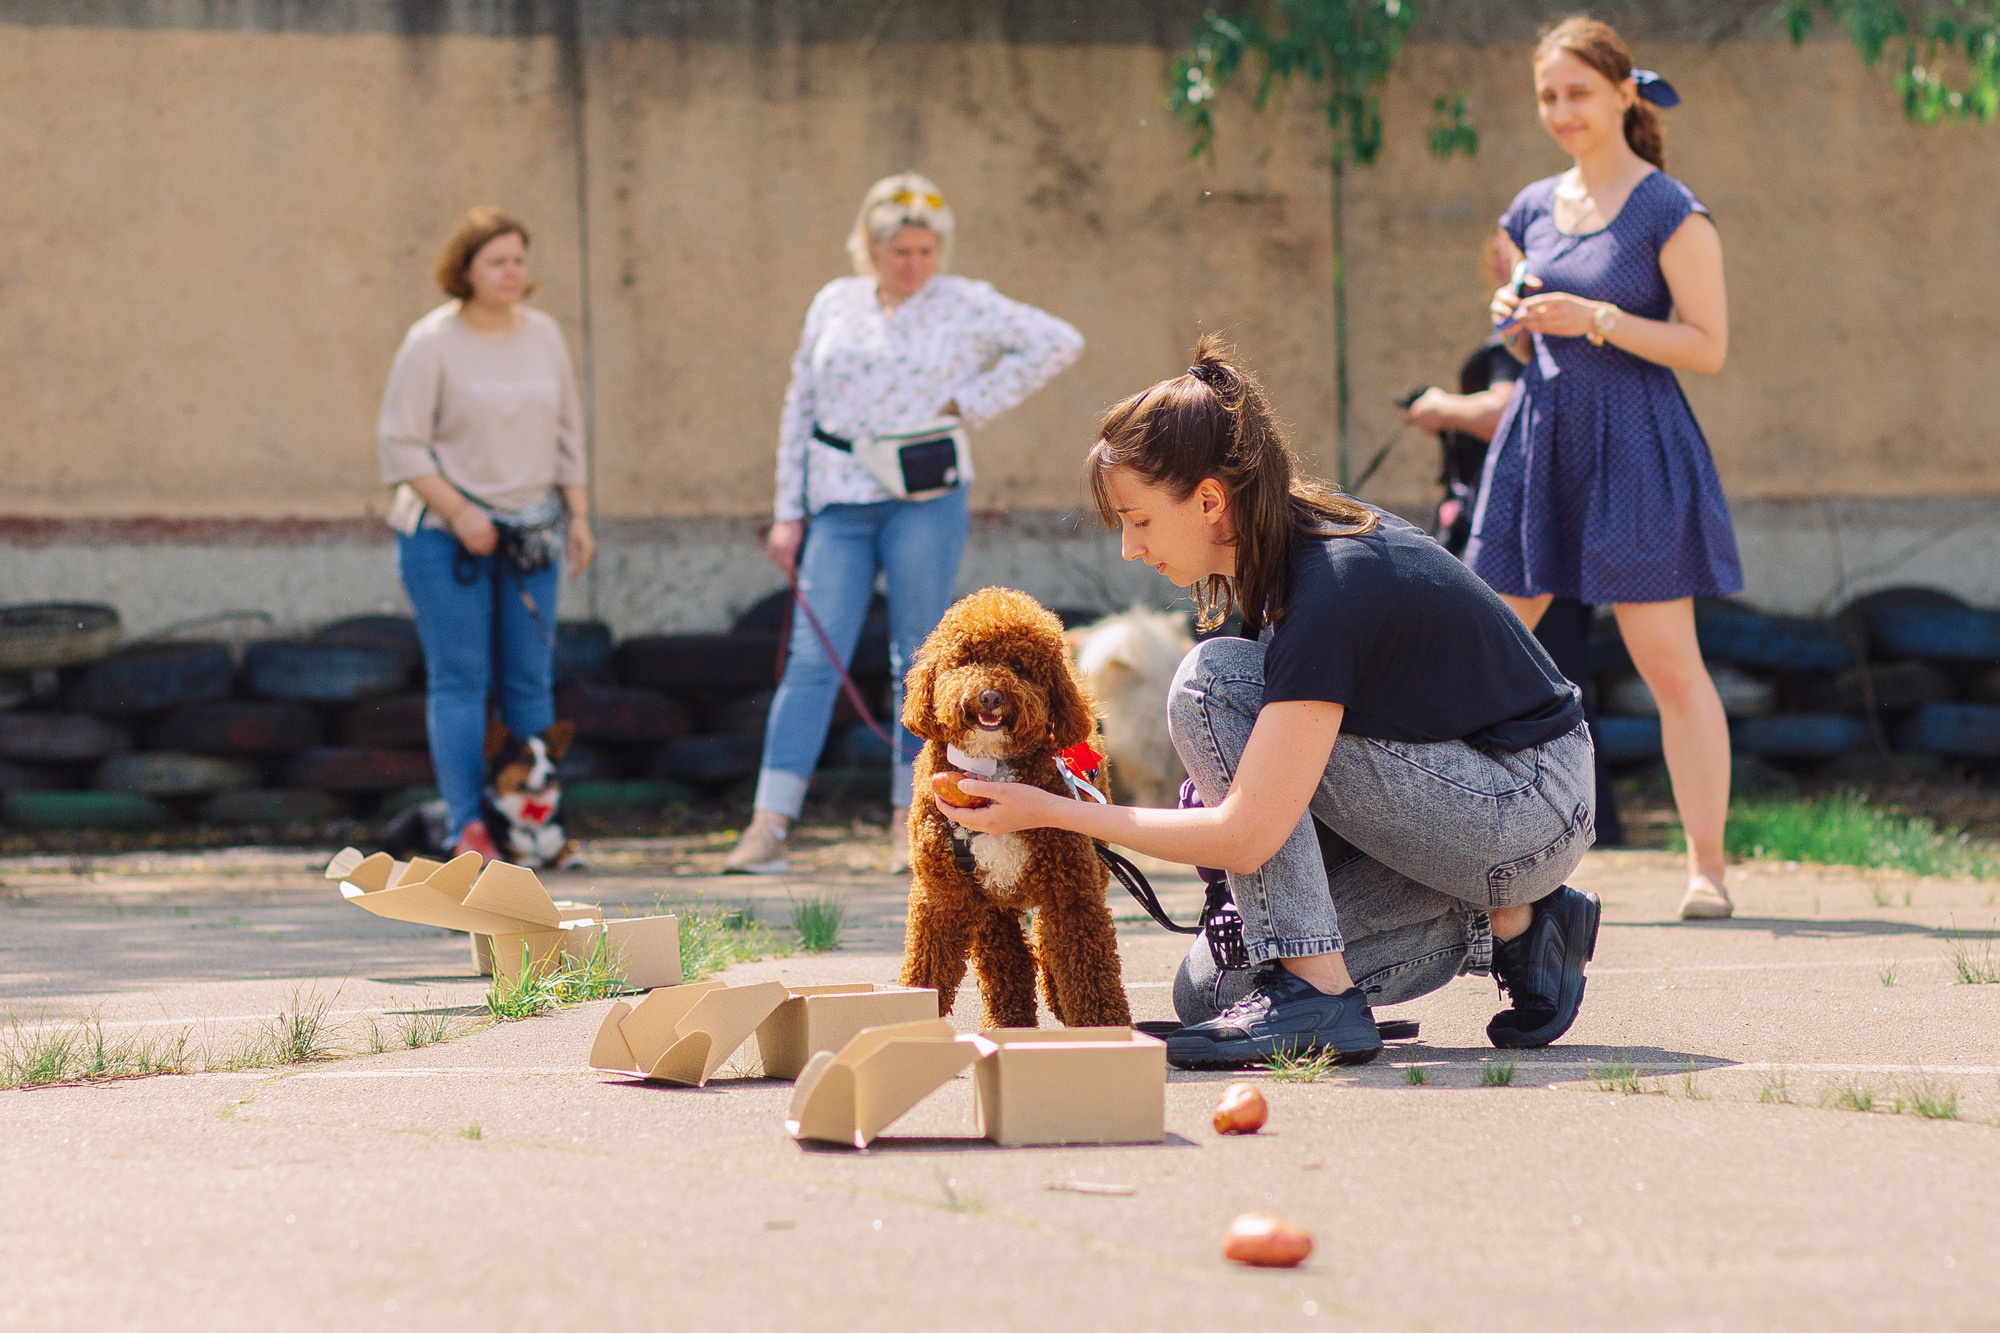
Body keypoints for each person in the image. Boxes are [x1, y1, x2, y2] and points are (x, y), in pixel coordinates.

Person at [935, 338, 1600, 1069]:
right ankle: (1517, 926)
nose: (1129, 547)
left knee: (1210, 681)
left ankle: (1319, 989)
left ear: (1211, 500)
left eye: (1141, 519)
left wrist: (1052, 810)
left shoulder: (1329, 585)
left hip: (1529, 800)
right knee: (1215, 992)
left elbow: (1248, 834)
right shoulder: (1266, 573)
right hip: (1460, 808)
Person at [724, 173, 1084, 875]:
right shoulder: (835, 301)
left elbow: (1058, 341)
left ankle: (910, 815)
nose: (913, 263)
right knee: (812, 655)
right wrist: (786, 511)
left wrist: (968, 400)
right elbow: (800, 402)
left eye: (926, 249)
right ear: (870, 246)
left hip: (924, 496)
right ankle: (769, 823)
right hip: (837, 496)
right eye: (899, 250)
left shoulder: (965, 302)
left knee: (918, 661)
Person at [1472, 17, 1739, 921]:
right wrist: (1514, 310)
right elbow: (1510, 309)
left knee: (1668, 662)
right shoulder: (1532, 206)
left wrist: (1594, 317)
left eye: (1578, 92)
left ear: (1627, 92)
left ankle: (1707, 867)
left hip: (1636, 444)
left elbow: (1707, 347)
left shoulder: (1671, 208)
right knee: (1477, 644)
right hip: (1539, 439)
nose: (1561, 111)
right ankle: (1459, 853)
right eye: (1548, 96)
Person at [377, 207, 594, 861]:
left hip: (530, 532)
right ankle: (467, 827)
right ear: (464, 269)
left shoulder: (545, 335)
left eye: (519, 260)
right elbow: (401, 445)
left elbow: (567, 434)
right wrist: (461, 512)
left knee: (531, 681)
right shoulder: (432, 340)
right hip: (447, 537)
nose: (512, 272)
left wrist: (577, 513)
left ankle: (533, 826)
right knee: (461, 680)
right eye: (496, 260)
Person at [1407, 237, 1625, 847]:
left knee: (1513, 673)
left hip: (1526, 538)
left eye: (1518, 247)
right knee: (1560, 678)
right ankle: (1591, 819)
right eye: (1502, 250)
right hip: (1555, 529)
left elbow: (1502, 411)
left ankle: (1546, 818)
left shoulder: (1533, 345)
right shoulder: (1549, 344)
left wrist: (1443, 408)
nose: (1506, 260)